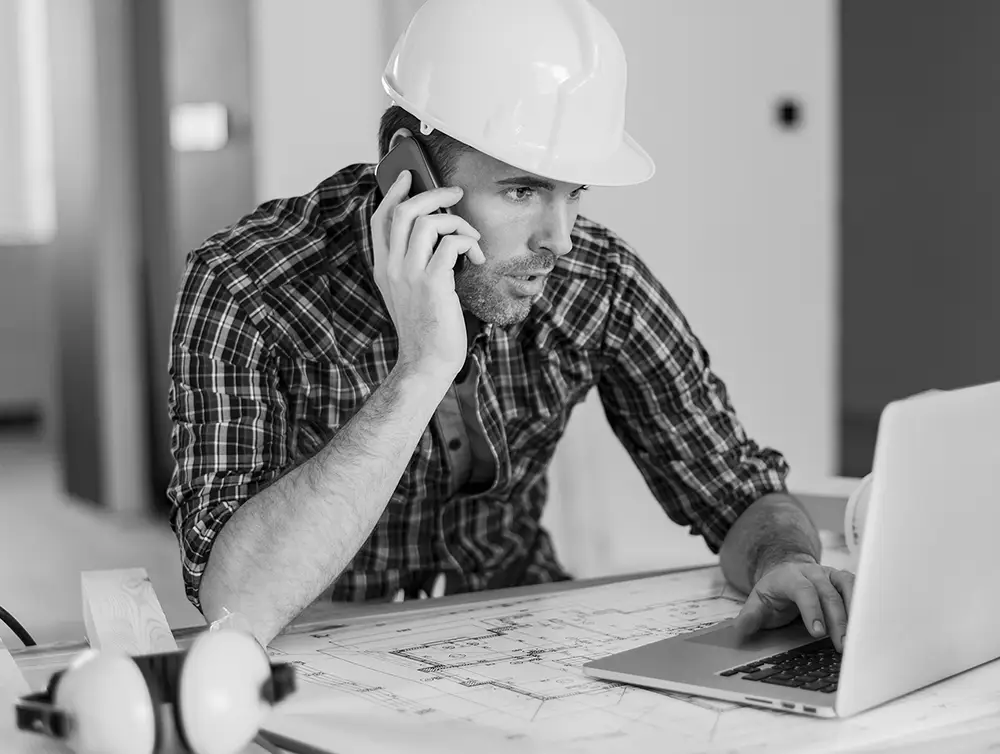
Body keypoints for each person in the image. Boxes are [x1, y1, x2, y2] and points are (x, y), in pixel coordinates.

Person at [166, 0, 854, 648]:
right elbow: (238, 602)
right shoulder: (247, 285)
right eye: (522, 190)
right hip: (321, 654)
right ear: (405, 167)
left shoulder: (594, 279)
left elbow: (734, 488)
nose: (559, 239)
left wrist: (781, 561)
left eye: (574, 192)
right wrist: (421, 369)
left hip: (515, 637)